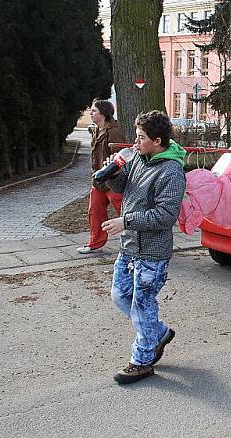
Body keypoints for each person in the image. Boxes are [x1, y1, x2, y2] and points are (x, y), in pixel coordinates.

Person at [104, 111, 187, 384]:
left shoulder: (172, 171)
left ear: (158, 140)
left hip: (152, 251)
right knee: (119, 295)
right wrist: (110, 174)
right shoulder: (138, 157)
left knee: (142, 304)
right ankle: (158, 333)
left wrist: (126, 221)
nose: (136, 142)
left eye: (141, 137)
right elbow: (123, 184)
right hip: (129, 247)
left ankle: (142, 360)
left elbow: (165, 215)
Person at [77, 99, 127, 254]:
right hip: (99, 181)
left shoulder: (114, 132)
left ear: (103, 114)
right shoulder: (97, 130)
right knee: (95, 212)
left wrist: (111, 175)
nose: (90, 113)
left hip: (113, 181)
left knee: (125, 212)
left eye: (94, 111)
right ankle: (94, 243)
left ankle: (139, 241)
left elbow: (121, 158)